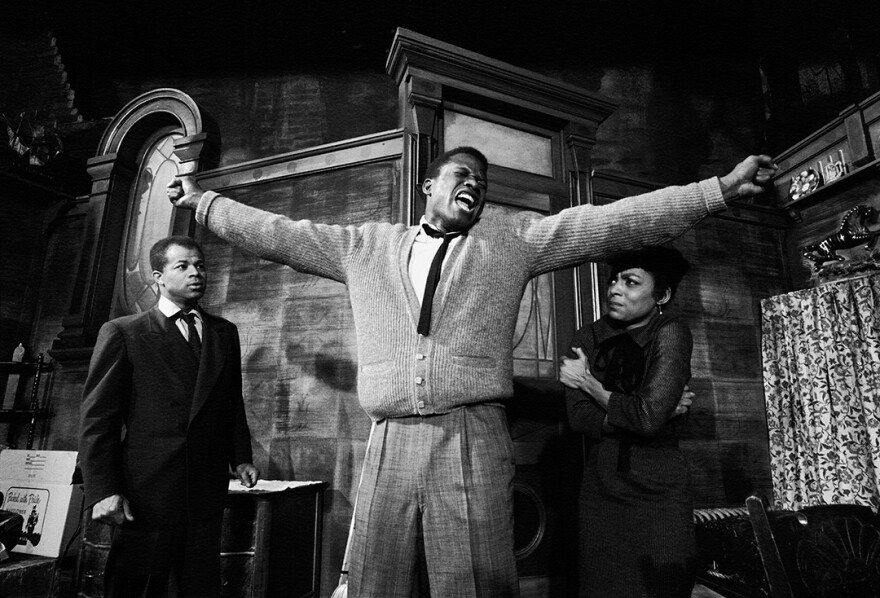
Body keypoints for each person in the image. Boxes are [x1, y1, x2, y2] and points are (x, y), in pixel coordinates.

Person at [167, 147, 775, 597]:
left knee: (477, 584)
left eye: (481, 181)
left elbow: (610, 224)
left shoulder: (509, 244)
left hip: (474, 434)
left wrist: (715, 190)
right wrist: (204, 202)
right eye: (463, 173)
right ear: (429, 185)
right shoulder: (364, 246)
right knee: (376, 582)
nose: (476, 183)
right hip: (391, 437)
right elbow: (276, 234)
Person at [79, 235, 260, 598]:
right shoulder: (124, 332)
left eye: (201, 265)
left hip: (205, 492)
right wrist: (103, 490)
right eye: (183, 266)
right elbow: (98, 419)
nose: (196, 273)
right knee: (137, 589)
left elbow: (230, 402)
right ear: (159, 277)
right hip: (147, 494)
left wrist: (240, 456)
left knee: (199, 589)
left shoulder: (224, 332)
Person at [560, 245, 698, 597]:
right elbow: (579, 418)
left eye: (631, 282)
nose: (615, 289)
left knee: (662, 588)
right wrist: (649, 411)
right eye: (614, 280)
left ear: (661, 294)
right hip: (601, 487)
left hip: (659, 489)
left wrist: (590, 384)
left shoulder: (671, 332)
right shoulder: (587, 337)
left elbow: (648, 418)